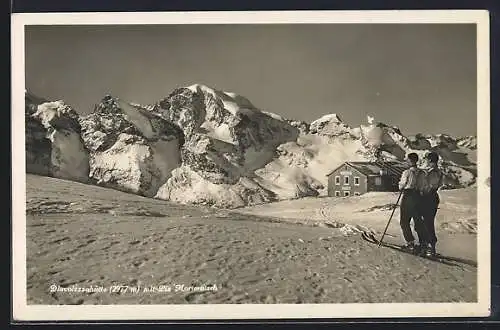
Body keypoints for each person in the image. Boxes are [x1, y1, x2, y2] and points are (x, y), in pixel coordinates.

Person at [398, 152, 427, 253]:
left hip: (408, 197)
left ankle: (410, 243)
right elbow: (424, 186)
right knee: (418, 221)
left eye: (407, 160)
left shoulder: (407, 173)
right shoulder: (422, 173)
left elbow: (401, 186)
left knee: (404, 221)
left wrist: (401, 186)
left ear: (410, 161)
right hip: (419, 197)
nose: (406, 161)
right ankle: (423, 244)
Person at [419, 151, 443, 257]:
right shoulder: (434, 171)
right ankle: (426, 244)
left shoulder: (434, 172)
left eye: (427, 160)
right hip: (430, 198)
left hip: (429, 198)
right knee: (425, 222)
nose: (426, 161)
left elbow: (431, 186)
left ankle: (430, 246)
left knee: (428, 222)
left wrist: (423, 191)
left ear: (430, 160)